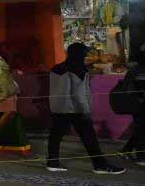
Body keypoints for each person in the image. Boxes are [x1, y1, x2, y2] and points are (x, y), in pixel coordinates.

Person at [46, 42, 124, 174]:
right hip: (75, 108)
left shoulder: (56, 68)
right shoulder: (78, 69)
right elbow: (79, 93)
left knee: (56, 135)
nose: (86, 55)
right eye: (85, 53)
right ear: (80, 54)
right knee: (89, 137)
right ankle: (100, 165)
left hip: (58, 107)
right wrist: (86, 110)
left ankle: (52, 162)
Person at [0, 54, 31, 155]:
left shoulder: (0, 74)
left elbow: (4, 91)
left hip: (3, 106)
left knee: (2, 127)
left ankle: (0, 148)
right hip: (0, 106)